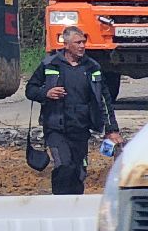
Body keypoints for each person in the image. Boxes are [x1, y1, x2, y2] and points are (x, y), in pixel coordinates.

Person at [25, 27, 123, 195]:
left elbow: (104, 100)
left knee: (79, 172)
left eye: (83, 42)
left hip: (81, 128)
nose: (82, 46)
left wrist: (111, 129)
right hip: (55, 127)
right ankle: (60, 204)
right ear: (67, 44)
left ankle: (75, 205)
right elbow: (30, 89)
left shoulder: (92, 67)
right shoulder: (50, 64)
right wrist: (45, 93)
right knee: (64, 166)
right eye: (78, 42)